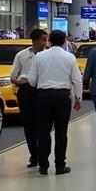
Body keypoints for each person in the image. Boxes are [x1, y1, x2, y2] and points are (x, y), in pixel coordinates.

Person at [27, 29, 82, 176]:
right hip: (62, 97)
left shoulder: (39, 56)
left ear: (49, 40)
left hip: (43, 96)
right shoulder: (70, 57)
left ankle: (43, 165)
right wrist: (78, 98)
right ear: (64, 41)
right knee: (61, 132)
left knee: (43, 132)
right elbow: (77, 80)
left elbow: (31, 80)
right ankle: (60, 165)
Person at [11, 27, 48, 167]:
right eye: (43, 40)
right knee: (29, 126)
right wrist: (23, 80)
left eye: (46, 40)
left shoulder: (48, 55)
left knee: (43, 125)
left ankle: (43, 154)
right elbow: (13, 77)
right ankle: (34, 155)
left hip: (43, 91)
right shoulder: (21, 55)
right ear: (35, 40)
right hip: (26, 92)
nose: (45, 43)